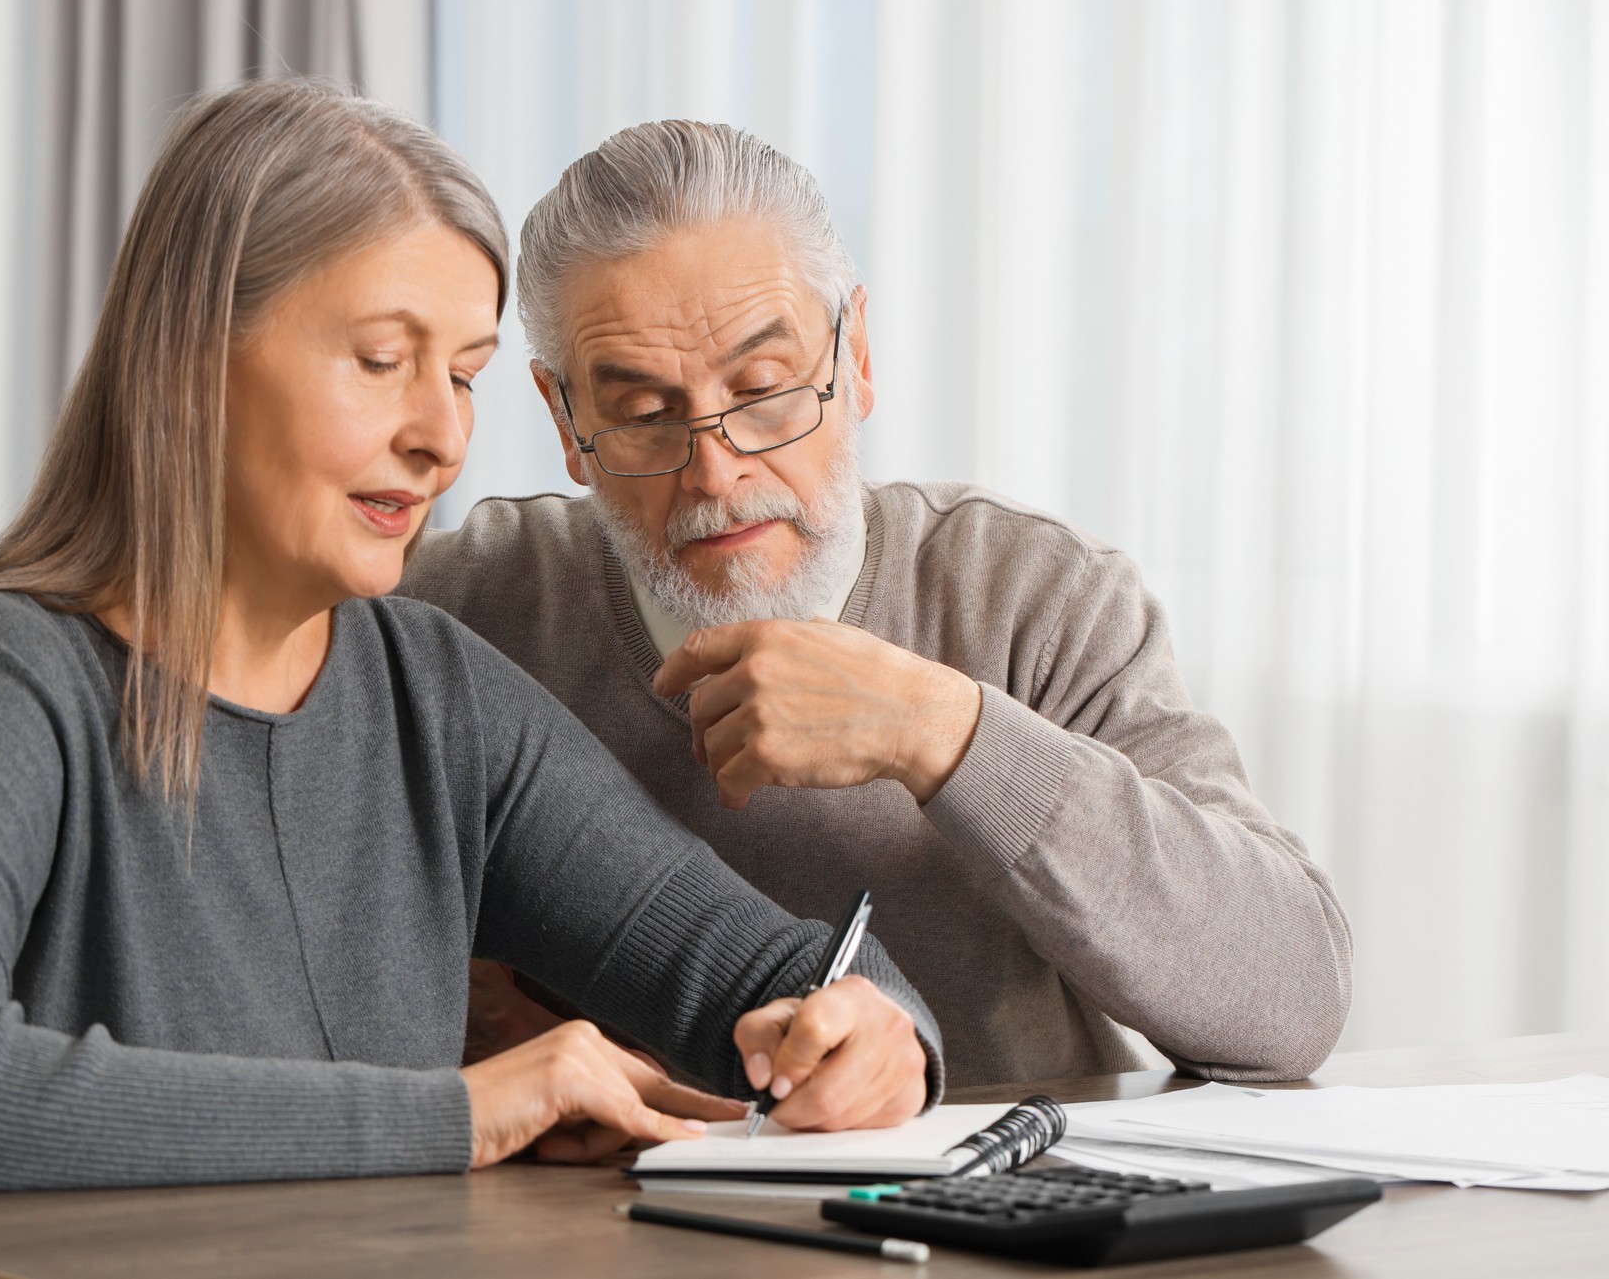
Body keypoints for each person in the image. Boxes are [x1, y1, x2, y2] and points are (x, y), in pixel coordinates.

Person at [0, 83, 940, 1193]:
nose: (441, 435)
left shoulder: (434, 695)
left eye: (466, 375)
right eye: (382, 362)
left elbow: (786, 976)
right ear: (192, 359)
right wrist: (463, 1112)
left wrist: (873, 1042)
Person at [397, 121, 1354, 1086]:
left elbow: (1293, 999)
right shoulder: (461, 607)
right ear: (567, 422)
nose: (718, 473)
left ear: (854, 357)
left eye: (765, 390)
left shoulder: (1033, 593)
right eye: (646, 416)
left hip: (1000, 1203)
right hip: (602, 1221)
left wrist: (941, 730)